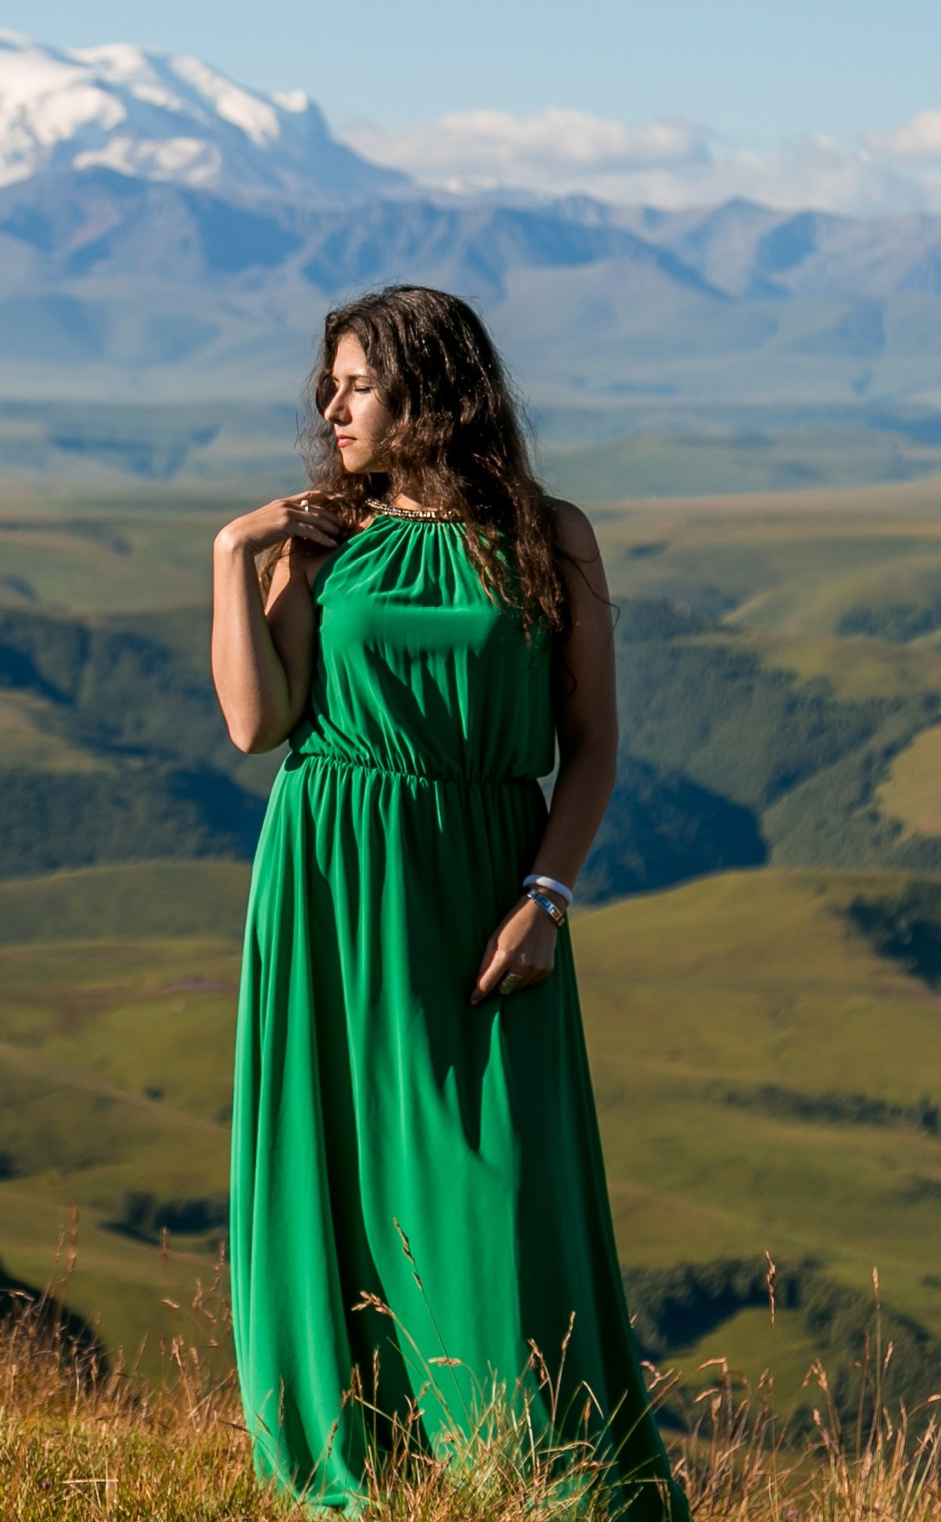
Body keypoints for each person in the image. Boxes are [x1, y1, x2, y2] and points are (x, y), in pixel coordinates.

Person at [210, 285, 689, 1517]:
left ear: (427, 387)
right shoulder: (330, 536)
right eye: (327, 385)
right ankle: (362, 1460)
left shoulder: (548, 533)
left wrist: (547, 892)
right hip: (330, 877)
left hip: (485, 878)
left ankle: (536, 1464)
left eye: (354, 383)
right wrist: (236, 556)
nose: (329, 406)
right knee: (340, 1166)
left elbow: (590, 746)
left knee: (498, 1178)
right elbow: (259, 724)